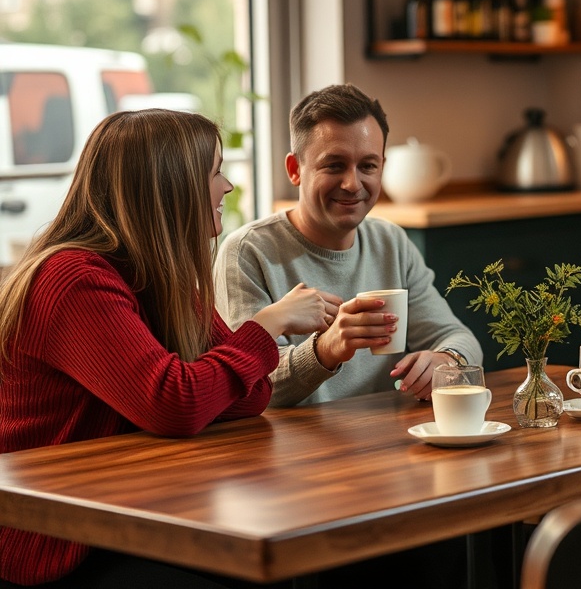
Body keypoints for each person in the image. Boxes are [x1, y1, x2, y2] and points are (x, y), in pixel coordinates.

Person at [0, 110, 334, 588]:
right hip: (56, 543)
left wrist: (236, 360)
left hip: (128, 515)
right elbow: (174, 403)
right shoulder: (73, 280)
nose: (228, 187)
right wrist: (267, 323)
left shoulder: (157, 275)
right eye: (216, 171)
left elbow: (249, 396)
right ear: (171, 186)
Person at [213, 83, 482, 406]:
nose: (353, 184)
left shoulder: (391, 242)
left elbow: (460, 338)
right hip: (288, 451)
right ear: (295, 169)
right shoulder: (247, 252)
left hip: (386, 441)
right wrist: (326, 349)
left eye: (368, 166)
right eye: (334, 165)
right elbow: (250, 386)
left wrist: (447, 360)